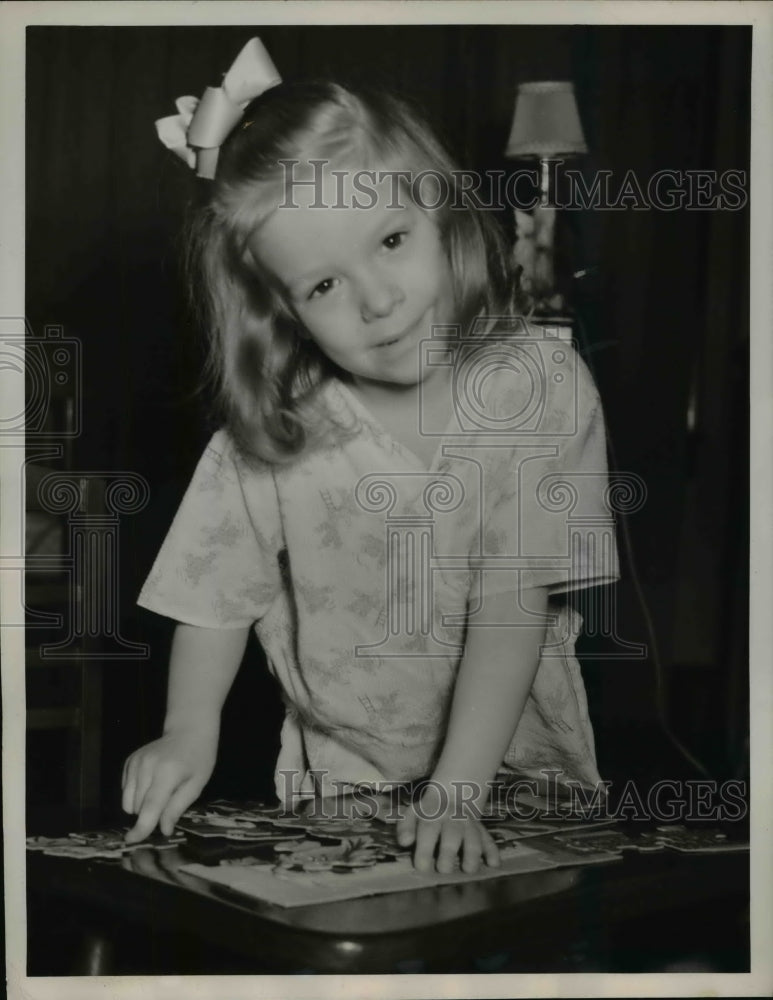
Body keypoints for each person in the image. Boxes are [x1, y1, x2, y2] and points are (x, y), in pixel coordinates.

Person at [122, 69, 619, 875]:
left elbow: (509, 602)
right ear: (279, 310)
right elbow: (211, 600)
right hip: (344, 788)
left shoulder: (542, 390)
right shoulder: (272, 435)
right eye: (322, 285)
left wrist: (456, 791)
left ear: (440, 209)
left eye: (391, 241)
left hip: (518, 778)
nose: (377, 301)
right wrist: (189, 729)